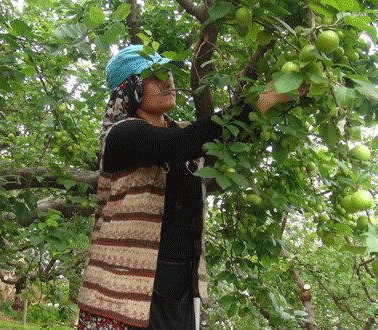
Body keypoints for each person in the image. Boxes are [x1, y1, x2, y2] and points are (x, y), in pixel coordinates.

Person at [76, 44, 304, 330]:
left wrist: (284, 92)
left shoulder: (183, 134)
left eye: (168, 73)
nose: (168, 82)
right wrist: (264, 97)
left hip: (177, 290)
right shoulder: (122, 135)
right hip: (120, 292)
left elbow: (229, 136)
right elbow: (181, 144)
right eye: (154, 77)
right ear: (130, 87)